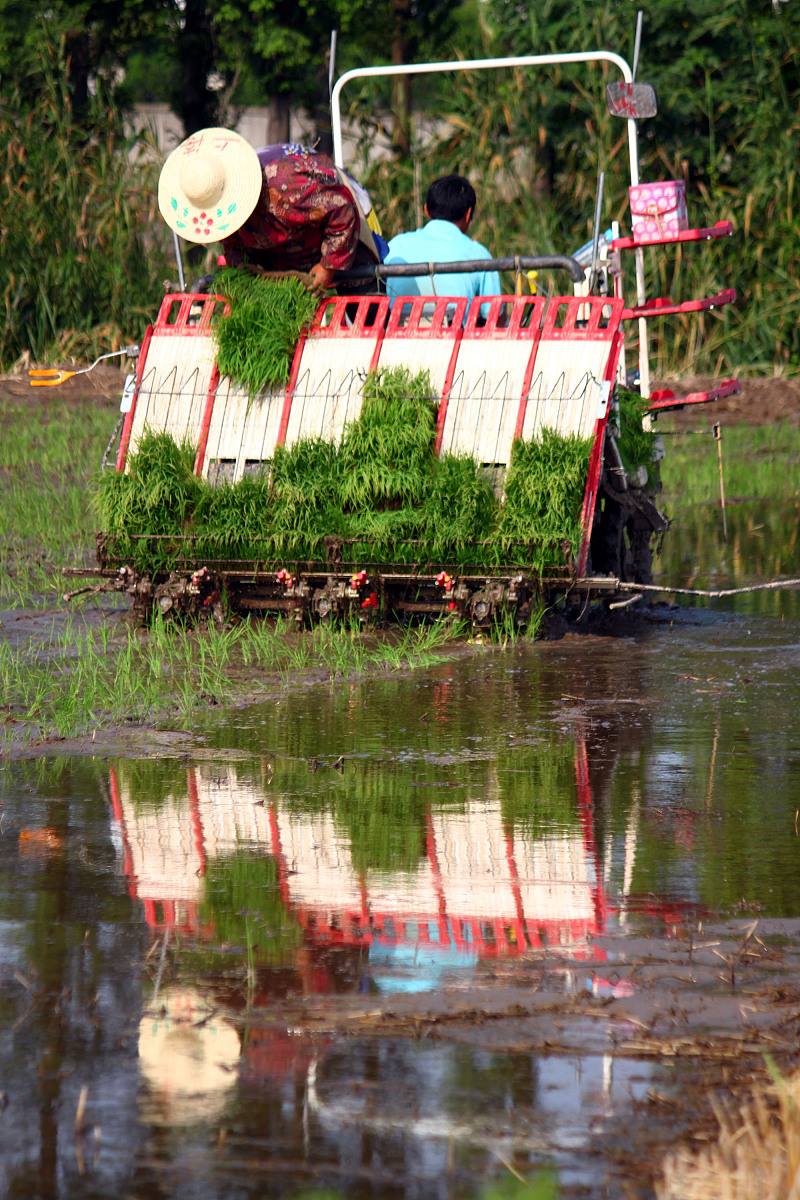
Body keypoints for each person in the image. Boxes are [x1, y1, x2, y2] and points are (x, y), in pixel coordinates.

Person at [158, 128, 386, 292]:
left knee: (363, 306)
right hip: (289, 252)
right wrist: (240, 267)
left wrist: (328, 265)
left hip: (346, 227)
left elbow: (342, 209)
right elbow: (233, 241)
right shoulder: (226, 214)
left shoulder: (285, 186)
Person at [384, 175, 502, 310]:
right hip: (454, 330)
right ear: (468, 214)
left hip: (396, 330)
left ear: (426, 210)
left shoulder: (394, 247)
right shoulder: (479, 255)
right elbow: (494, 318)